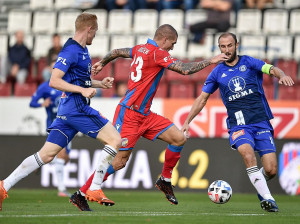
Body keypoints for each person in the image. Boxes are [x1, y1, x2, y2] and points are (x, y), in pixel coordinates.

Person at [69, 24, 229, 211]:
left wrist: (103, 63)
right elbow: (185, 70)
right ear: (164, 39)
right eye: (172, 43)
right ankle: (81, 194)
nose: (172, 48)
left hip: (145, 114)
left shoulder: (140, 48)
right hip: (129, 114)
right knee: (120, 161)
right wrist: (211, 60)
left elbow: (117, 51)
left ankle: (165, 180)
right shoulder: (157, 53)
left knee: (179, 138)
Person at [0, 12, 121, 212]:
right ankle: (95, 188)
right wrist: (83, 91)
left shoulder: (83, 51)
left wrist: (100, 84)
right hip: (77, 108)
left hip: (67, 110)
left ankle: (4, 185)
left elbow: (80, 81)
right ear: (89, 29)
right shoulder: (71, 50)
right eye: (95, 31)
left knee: (46, 155)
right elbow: (54, 81)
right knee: (115, 140)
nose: (95, 36)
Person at [181, 32, 294, 212]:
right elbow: (202, 99)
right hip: (238, 125)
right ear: (219, 48)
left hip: (261, 121)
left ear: (236, 45)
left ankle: (261, 188)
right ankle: (268, 199)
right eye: (223, 47)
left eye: (229, 46)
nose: (226, 50)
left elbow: (271, 68)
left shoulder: (249, 62)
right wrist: (187, 121)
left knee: (271, 170)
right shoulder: (217, 72)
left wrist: (281, 75)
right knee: (248, 154)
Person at [30, 61, 71, 197]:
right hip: (55, 124)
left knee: (65, 158)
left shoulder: (68, 83)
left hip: (69, 125)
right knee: (61, 154)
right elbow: (32, 102)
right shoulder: (45, 87)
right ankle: (61, 189)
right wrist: (43, 103)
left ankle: (39, 161)